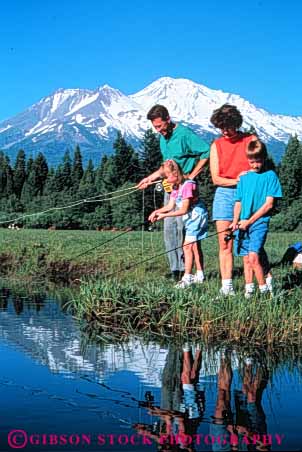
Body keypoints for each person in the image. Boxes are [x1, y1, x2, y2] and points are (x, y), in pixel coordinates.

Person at [138, 105, 209, 281]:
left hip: (185, 188)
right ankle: (175, 269)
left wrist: (191, 175)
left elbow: (207, 152)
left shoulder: (184, 134)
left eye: (161, 126)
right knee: (169, 228)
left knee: (182, 227)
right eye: (155, 128)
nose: (159, 131)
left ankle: (188, 271)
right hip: (171, 187)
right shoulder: (163, 139)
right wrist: (150, 178)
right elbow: (166, 168)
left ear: (168, 120)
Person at [210, 104, 258, 296]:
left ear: (235, 124)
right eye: (221, 128)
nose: (225, 132)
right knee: (225, 243)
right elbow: (216, 179)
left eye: (228, 127)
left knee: (247, 242)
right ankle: (226, 286)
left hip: (247, 195)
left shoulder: (250, 140)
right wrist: (237, 180)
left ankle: (251, 286)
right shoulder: (217, 145)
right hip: (224, 195)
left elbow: (259, 168)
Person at [230, 140, 282, 298]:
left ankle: (264, 292)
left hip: (258, 222)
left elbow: (268, 205)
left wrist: (249, 221)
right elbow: (238, 202)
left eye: (258, 161)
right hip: (243, 223)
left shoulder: (270, 176)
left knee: (254, 256)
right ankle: (249, 290)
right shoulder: (244, 179)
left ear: (264, 158)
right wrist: (235, 221)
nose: (255, 165)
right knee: (246, 259)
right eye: (251, 161)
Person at [149, 160, 208, 289]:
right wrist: (156, 212)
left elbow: (183, 210)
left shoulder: (188, 186)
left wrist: (164, 216)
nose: (166, 181)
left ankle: (187, 277)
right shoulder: (176, 187)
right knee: (193, 246)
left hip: (196, 216)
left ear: (175, 173)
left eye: (167, 177)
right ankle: (200, 274)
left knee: (187, 246)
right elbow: (170, 206)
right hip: (191, 217)